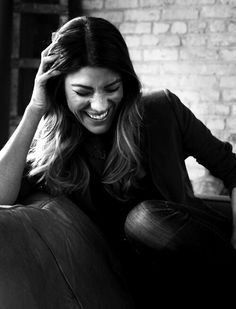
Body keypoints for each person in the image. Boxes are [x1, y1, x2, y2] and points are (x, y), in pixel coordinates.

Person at [1, 16, 236, 307]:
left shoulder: (162, 111)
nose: (99, 105)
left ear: (125, 82)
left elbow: (232, 171)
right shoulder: (52, 152)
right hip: (143, 290)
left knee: (144, 220)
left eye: (111, 88)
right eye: (82, 92)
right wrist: (36, 107)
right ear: (58, 89)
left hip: (202, 256)